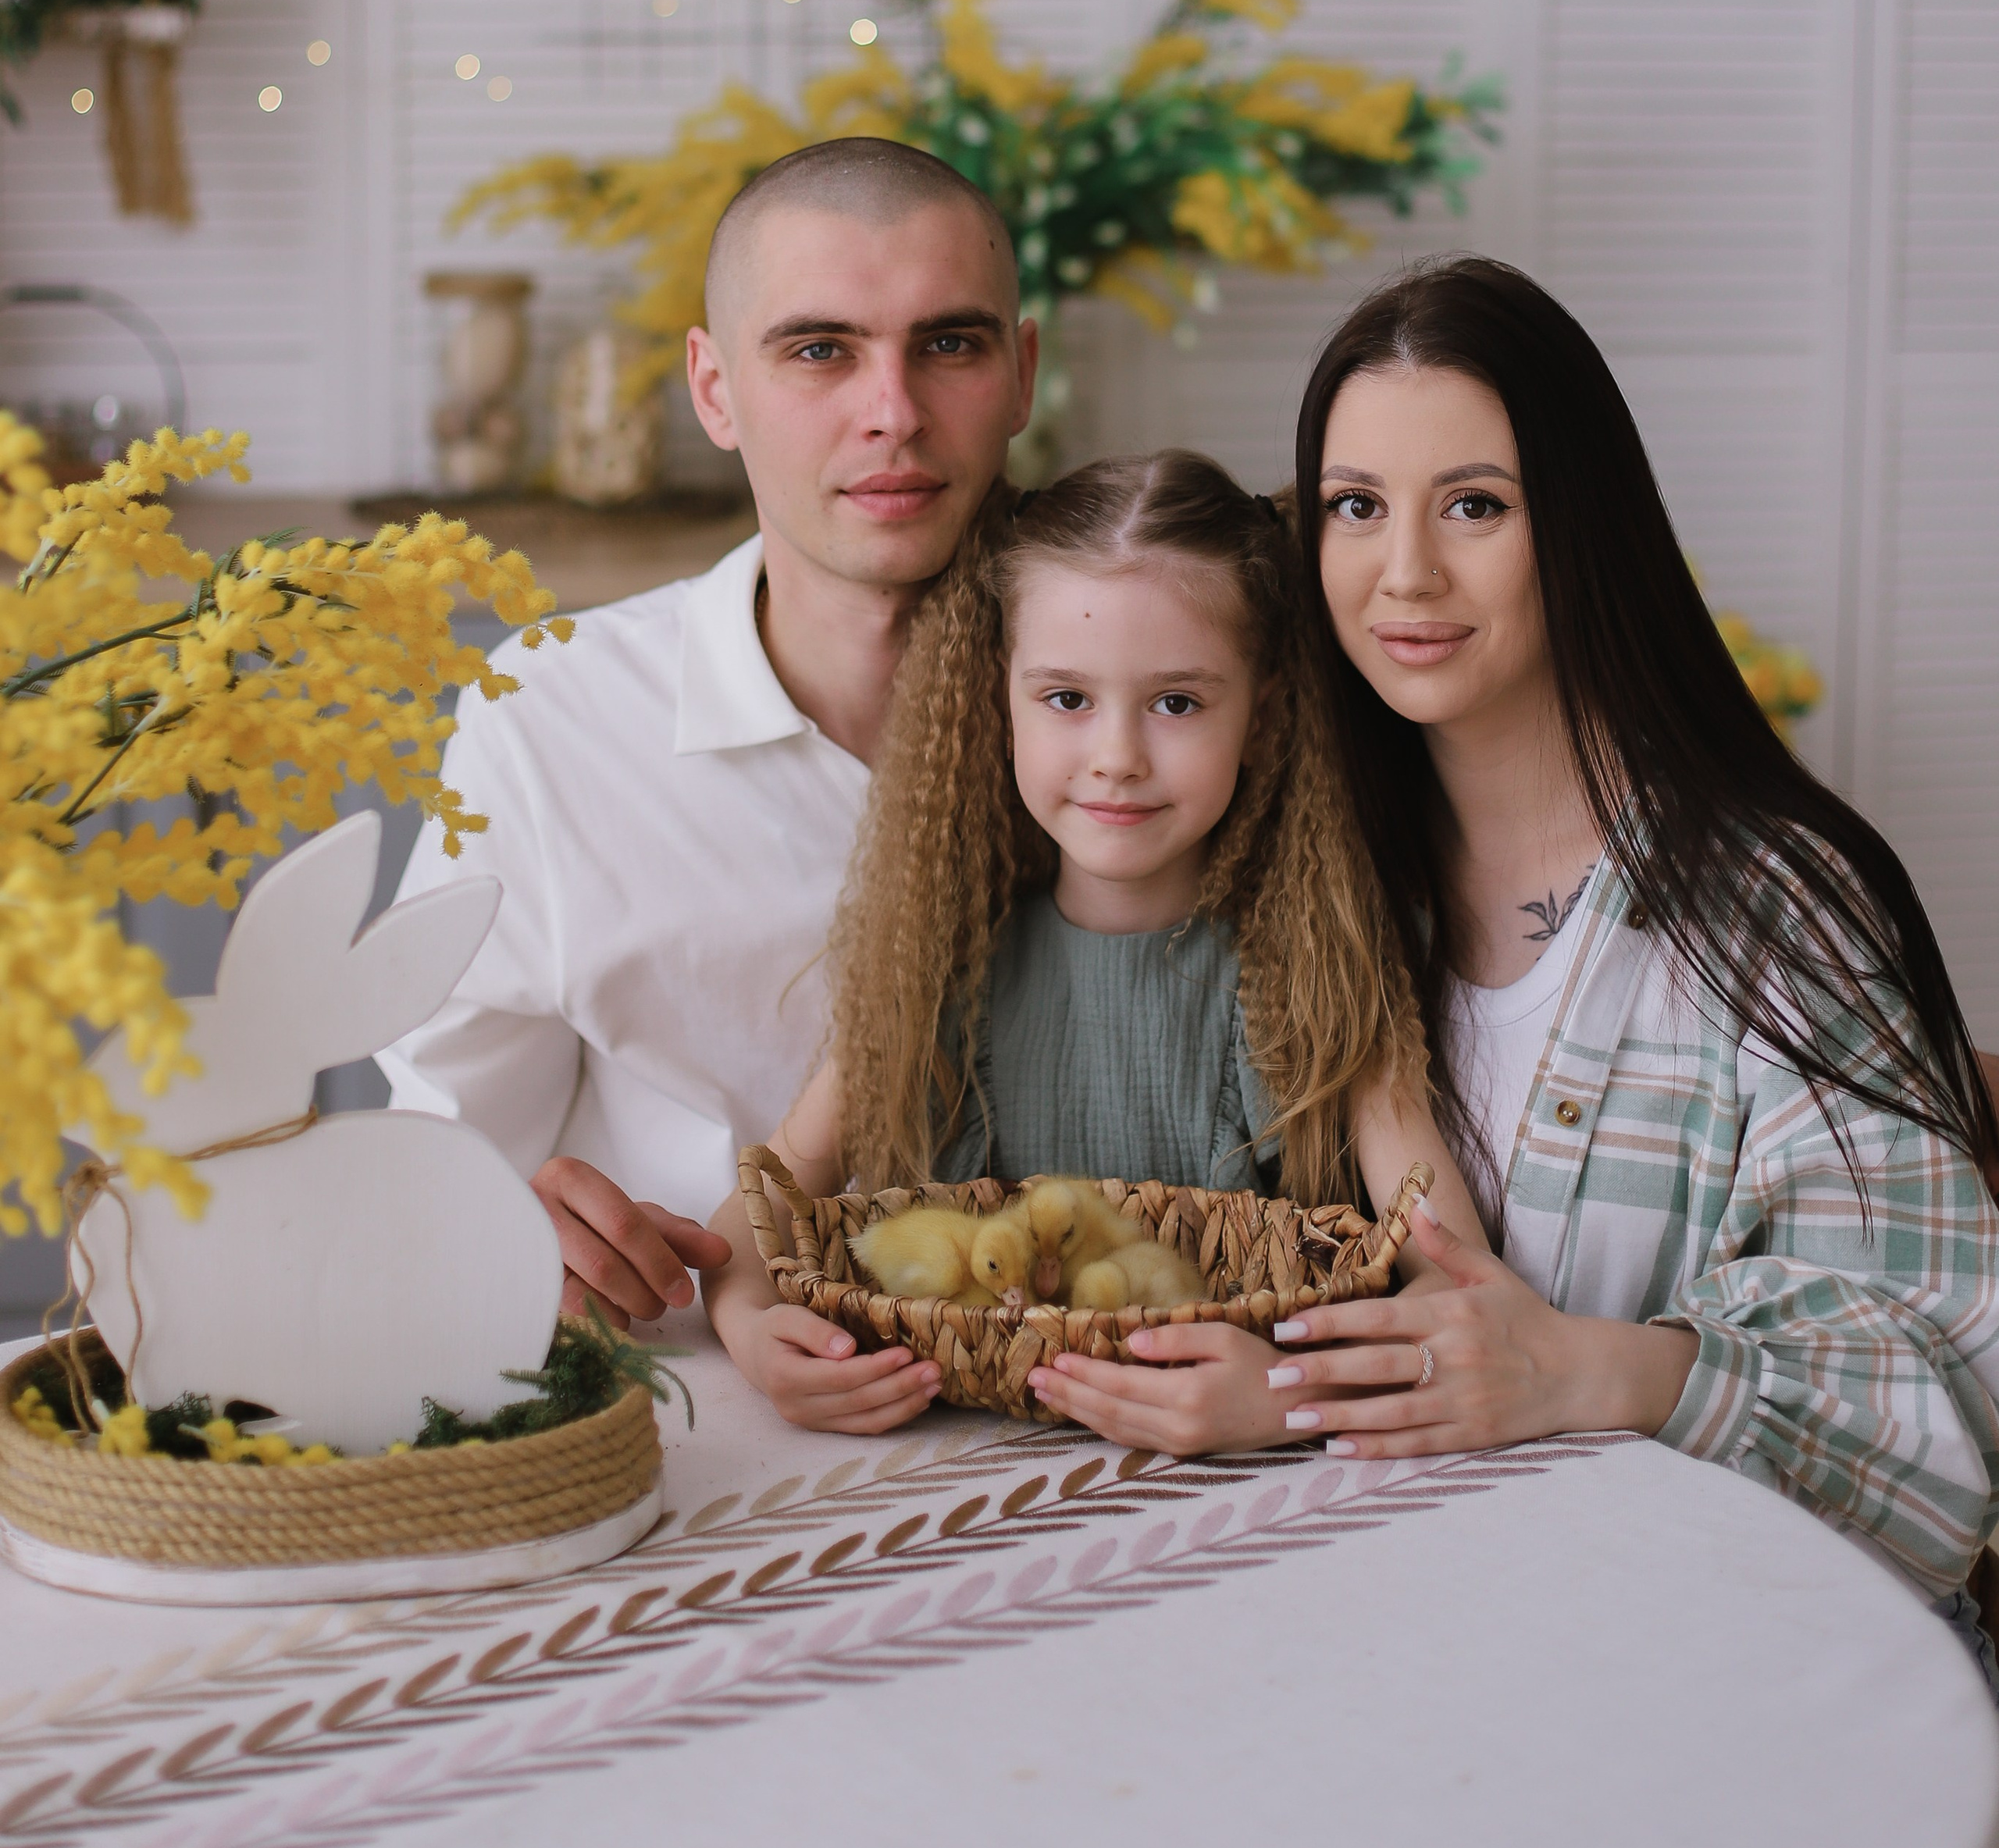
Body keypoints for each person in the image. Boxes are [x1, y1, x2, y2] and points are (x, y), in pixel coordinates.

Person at [1199, 254, 1999, 1677]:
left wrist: (1588, 1370)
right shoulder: (1320, 893)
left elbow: (1939, 1410)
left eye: (1476, 507)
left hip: (1750, 1670)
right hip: (1426, 1636)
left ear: (1584, 529)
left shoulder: (1774, 908)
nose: (1406, 575)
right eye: (1355, 508)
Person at [379, 138, 1037, 1326]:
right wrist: (505, 1224)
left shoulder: (1153, 698)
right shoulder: (551, 717)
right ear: (714, 389)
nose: (892, 413)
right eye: (819, 351)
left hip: (1084, 1379)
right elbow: (443, 1160)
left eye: (949, 345)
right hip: (684, 1391)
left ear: (1024, 373)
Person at [703, 450, 1484, 1445]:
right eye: (1066, 699)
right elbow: (749, 1230)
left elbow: (1459, 1281)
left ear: (1266, 713)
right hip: (965, 1484)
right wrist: (752, 1332)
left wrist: (1286, 1401)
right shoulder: (944, 973)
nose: (1117, 756)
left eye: (1177, 703)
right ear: (1003, 701)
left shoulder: (1317, 972)